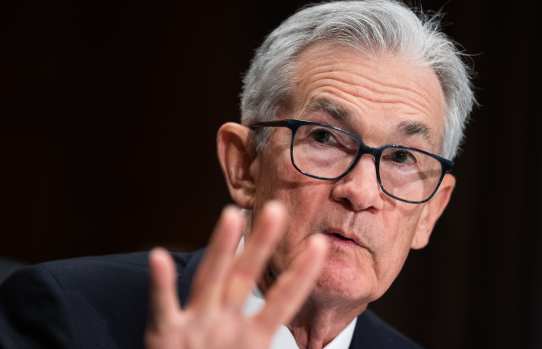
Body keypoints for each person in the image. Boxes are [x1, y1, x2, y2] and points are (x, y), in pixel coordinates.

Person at [0, 1, 474, 348]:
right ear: (243, 163)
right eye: (324, 139)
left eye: (402, 159)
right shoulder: (64, 315)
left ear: (431, 210)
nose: (361, 191)